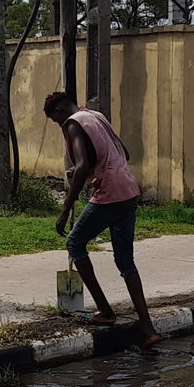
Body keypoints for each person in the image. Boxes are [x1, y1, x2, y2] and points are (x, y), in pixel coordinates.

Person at [44, 92, 162, 348]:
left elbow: (85, 164)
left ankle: (106, 312)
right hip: (129, 190)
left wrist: (65, 208)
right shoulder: (96, 116)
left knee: (74, 243)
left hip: (110, 194)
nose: (59, 126)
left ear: (58, 113)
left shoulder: (73, 123)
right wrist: (80, 170)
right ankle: (148, 329)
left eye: (55, 122)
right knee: (125, 260)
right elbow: (124, 153)